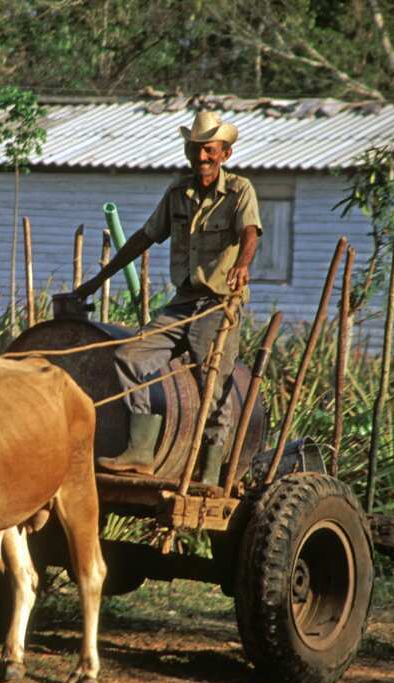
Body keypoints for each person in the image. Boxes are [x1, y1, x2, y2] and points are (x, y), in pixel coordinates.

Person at [63, 110, 262, 483]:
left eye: (209, 151)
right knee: (129, 356)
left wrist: (243, 264)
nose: (201, 158)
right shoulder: (178, 193)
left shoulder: (239, 191)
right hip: (182, 304)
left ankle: (211, 466)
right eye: (195, 150)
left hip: (219, 305)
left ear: (225, 155)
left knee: (213, 381)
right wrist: (96, 280)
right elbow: (143, 238)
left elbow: (250, 233)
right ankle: (140, 452)